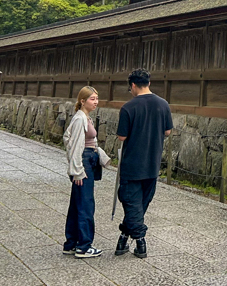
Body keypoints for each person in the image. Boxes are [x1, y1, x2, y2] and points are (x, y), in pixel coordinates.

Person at [114, 69, 172, 259]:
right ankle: (123, 238)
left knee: (132, 203)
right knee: (138, 205)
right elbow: (168, 132)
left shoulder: (128, 108)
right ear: (148, 83)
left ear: (132, 85)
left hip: (132, 164)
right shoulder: (163, 105)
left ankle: (140, 241)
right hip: (152, 163)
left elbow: (122, 136)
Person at [63, 86, 106, 259]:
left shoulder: (84, 117)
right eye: (92, 99)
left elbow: (67, 137)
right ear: (82, 101)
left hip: (86, 159)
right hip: (83, 162)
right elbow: (74, 145)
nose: (96, 102)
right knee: (85, 204)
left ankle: (71, 243)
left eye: (96, 98)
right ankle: (84, 246)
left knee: (77, 204)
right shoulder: (80, 118)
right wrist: (77, 170)